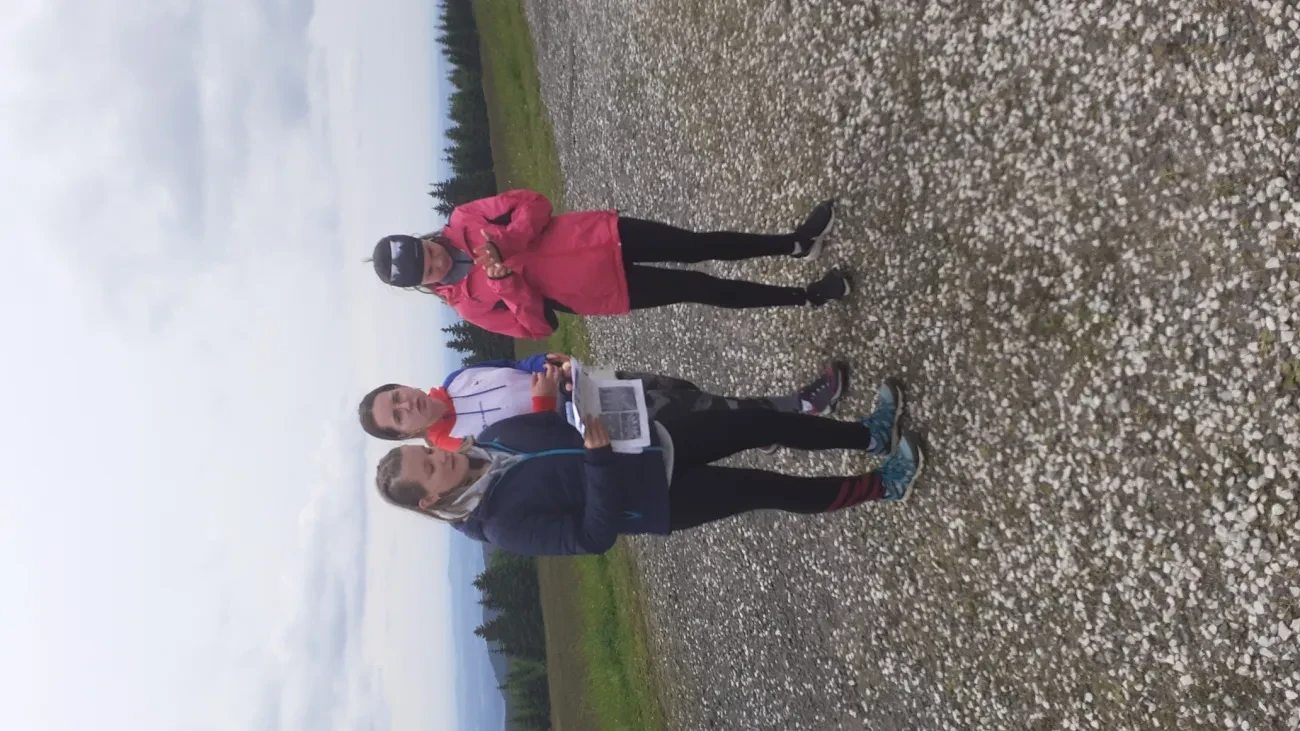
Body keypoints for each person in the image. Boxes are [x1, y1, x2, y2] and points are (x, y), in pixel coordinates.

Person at [372, 379, 924, 556]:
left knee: (759, 422)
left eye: (428, 451)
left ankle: (868, 434)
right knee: (771, 488)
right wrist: (597, 460)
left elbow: (556, 424)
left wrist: (567, 393)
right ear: (430, 500)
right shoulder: (500, 526)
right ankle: (883, 485)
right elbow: (592, 537)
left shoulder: (489, 439)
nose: (440, 456)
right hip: (662, 497)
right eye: (431, 468)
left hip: (654, 440)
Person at [368, 190, 851, 338]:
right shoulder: (469, 306)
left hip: (602, 235)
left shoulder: (464, 219)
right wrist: (507, 283)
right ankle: (807, 297)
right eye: (427, 270)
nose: (435, 260)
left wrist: (507, 240)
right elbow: (539, 328)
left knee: (698, 245)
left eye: (426, 250)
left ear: (421, 239)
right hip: (606, 290)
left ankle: (796, 243)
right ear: (422, 285)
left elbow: (534, 203)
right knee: (702, 288)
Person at [357, 353, 849, 453]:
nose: (406, 406)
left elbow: (520, 367)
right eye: (397, 417)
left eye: (397, 397)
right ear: (405, 434)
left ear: (403, 385)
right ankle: (795, 409)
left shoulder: (456, 378)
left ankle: (760, 430)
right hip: (595, 428)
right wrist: (544, 405)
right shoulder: (455, 451)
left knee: (686, 392)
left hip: (593, 384)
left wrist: (546, 362)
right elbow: (532, 455)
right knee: (698, 416)